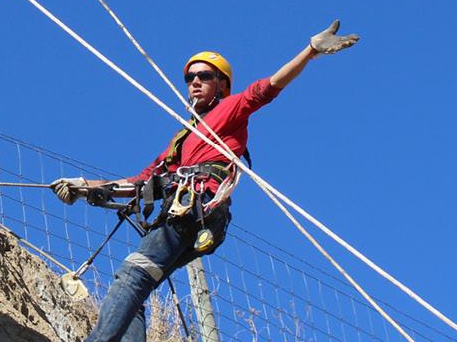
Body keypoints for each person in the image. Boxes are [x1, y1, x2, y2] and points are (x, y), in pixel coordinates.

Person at [53, 21, 361, 342]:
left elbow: (266, 89)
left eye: (205, 76)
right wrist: (84, 186)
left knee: (131, 278)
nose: (195, 82)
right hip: (188, 215)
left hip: (194, 208)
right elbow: (142, 181)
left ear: (222, 85)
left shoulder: (228, 110)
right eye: (190, 77)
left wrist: (310, 51)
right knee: (134, 287)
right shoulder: (182, 140)